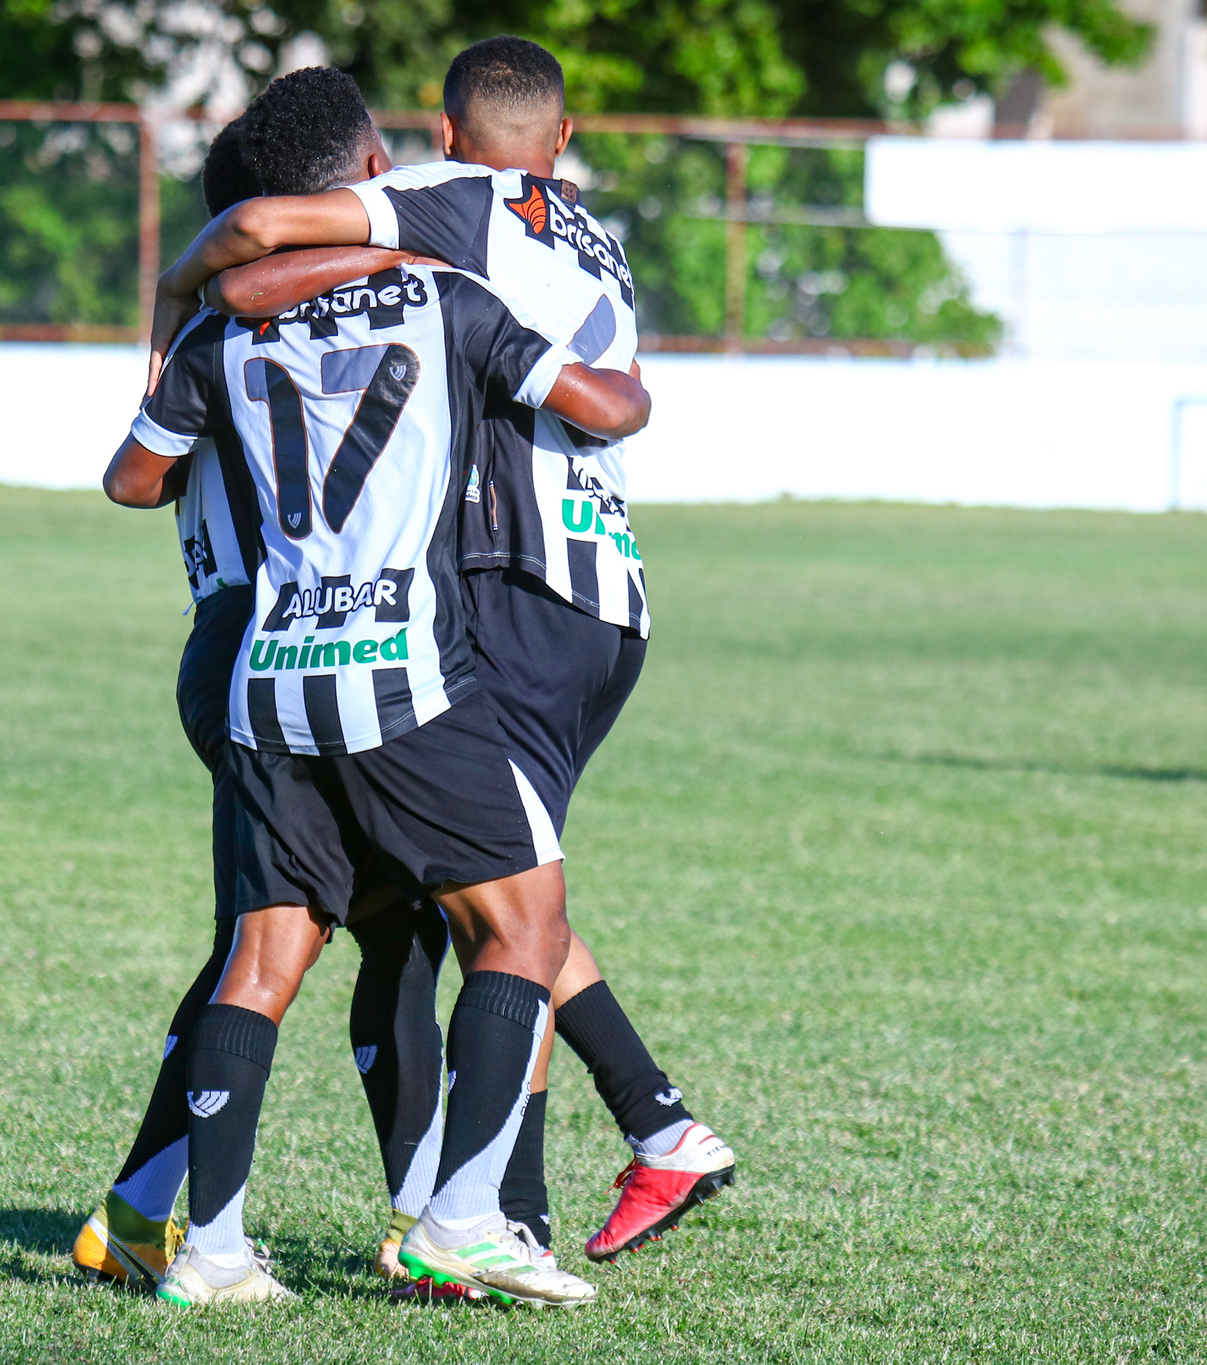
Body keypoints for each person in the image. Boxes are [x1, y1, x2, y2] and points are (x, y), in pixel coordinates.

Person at [150, 36, 736, 1268]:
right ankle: (623, 1140)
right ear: (562, 141)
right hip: (606, 596)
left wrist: (173, 308)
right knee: (466, 897)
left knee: (470, 911)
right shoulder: (592, 232)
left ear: (437, 134)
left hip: (495, 581)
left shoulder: (443, 207)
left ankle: (506, 1206)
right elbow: (615, 396)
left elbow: (255, 239)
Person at [71, 118, 457, 1296]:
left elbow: (135, 476)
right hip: (285, 637)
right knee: (311, 937)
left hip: (225, 642)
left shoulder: (208, 322)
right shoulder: (304, 312)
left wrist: (179, 292)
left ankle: (145, 1212)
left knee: (329, 931)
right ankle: (418, 1223)